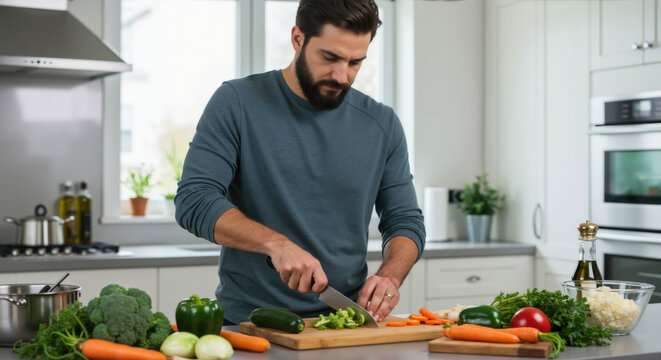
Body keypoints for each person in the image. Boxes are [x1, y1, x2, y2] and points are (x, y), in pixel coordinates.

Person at [175, 0, 425, 325]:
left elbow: (405, 220)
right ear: (297, 38)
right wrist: (275, 244)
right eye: (330, 57)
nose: (341, 75)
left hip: (343, 326)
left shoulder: (381, 124)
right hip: (250, 327)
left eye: (355, 62)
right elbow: (194, 200)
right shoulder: (237, 102)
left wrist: (390, 276)